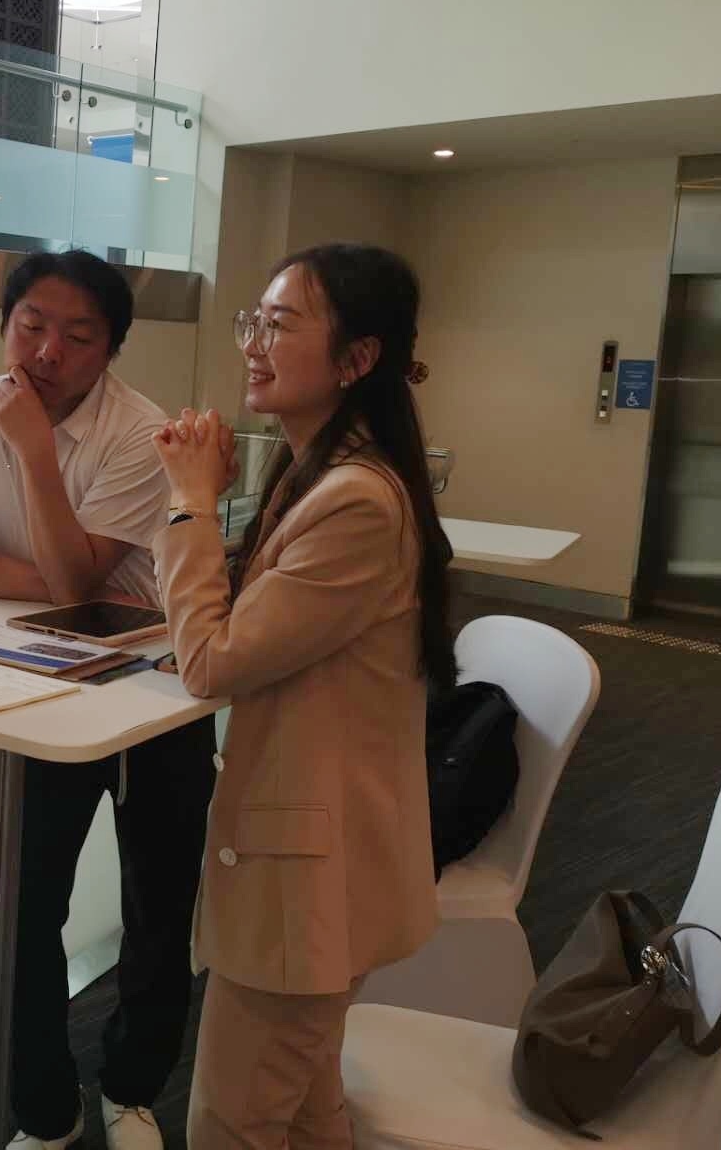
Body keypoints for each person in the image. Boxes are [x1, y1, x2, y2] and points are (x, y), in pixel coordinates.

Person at [150, 244, 452, 1150]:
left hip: (308, 884)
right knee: (310, 1114)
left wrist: (190, 502)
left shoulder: (356, 501)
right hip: (315, 865)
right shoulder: (316, 472)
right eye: (253, 321)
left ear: (357, 359)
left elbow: (212, 662)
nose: (253, 343)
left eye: (279, 325)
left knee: (230, 1125)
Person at [0, 250, 216, 1150]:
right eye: (31, 326)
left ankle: (132, 1088)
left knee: (159, 907)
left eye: (79, 336)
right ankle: (45, 1113)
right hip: (38, 689)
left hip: (155, 689)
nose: (48, 351)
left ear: (112, 349)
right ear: (5, 324)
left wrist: (32, 452)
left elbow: (70, 575)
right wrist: (65, 583)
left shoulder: (141, 430)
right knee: (22, 911)